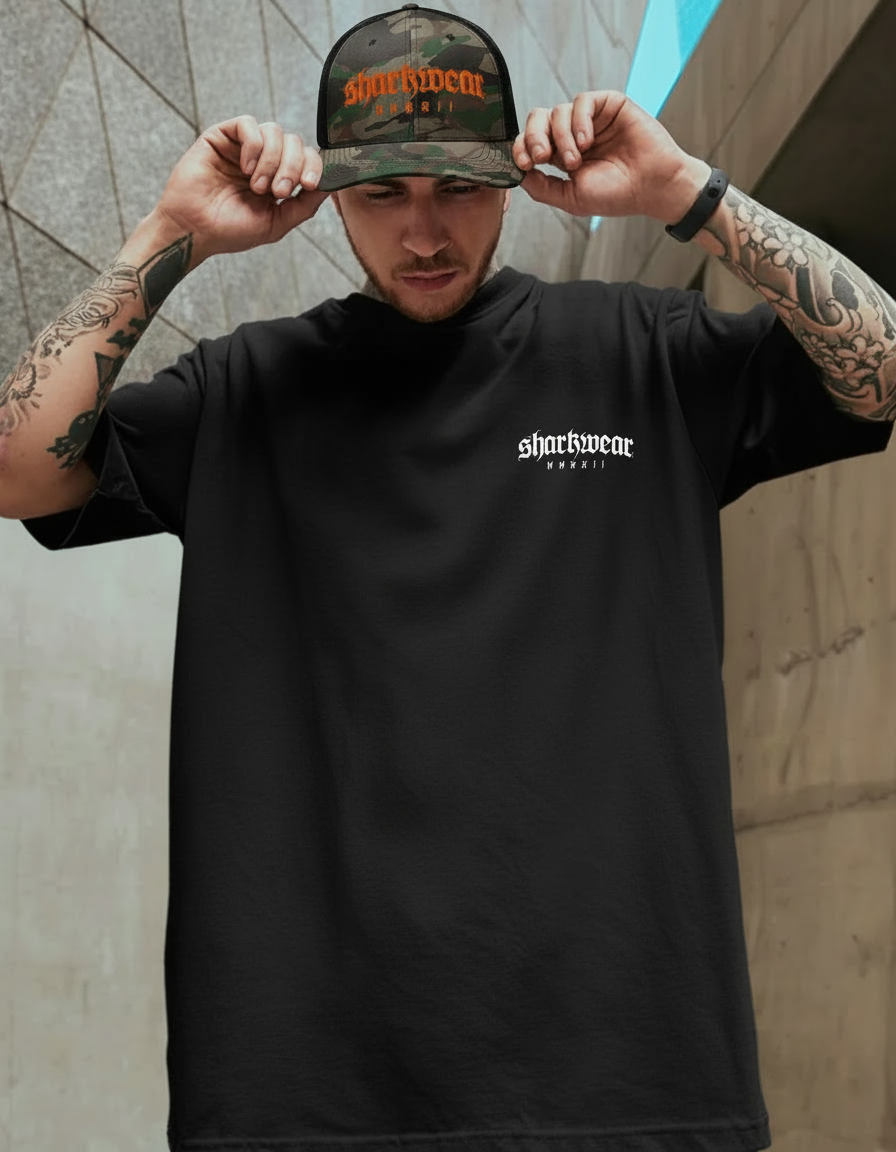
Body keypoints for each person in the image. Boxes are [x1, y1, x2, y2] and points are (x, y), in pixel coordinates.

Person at [1, 5, 894, 1152]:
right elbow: (24, 473)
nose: (423, 233)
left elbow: (875, 376)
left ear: (511, 179)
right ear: (328, 194)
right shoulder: (248, 390)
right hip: (307, 1095)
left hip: (628, 1080)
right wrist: (171, 233)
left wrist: (686, 195)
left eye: (456, 191)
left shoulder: (643, 357)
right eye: (382, 195)